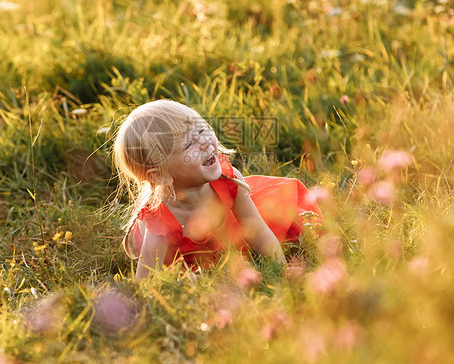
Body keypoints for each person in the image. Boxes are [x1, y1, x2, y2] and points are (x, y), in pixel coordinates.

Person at [113, 99, 323, 280]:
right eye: (189, 145)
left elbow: (258, 231)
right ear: (160, 175)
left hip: (226, 226)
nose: (205, 143)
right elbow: (146, 283)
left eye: (202, 130)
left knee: (274, 210)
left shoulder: (228, 181)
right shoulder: (160, 224)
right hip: (178, 253)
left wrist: (281, 267)